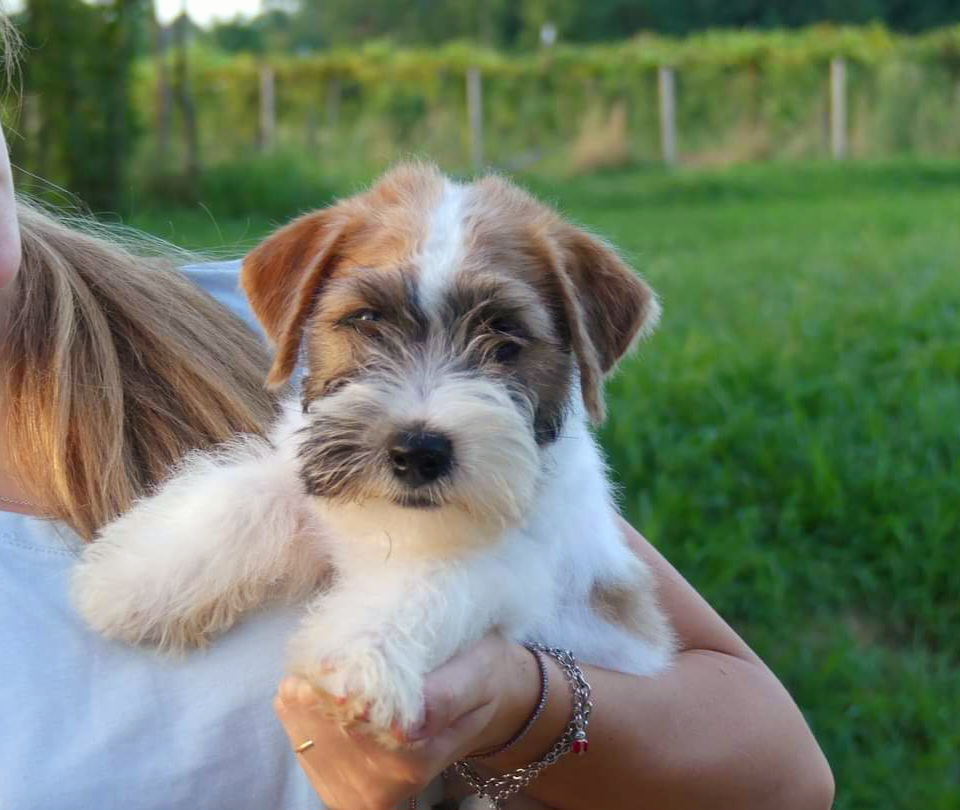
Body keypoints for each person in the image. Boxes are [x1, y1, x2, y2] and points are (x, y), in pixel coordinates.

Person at [0, 18, 833, 810]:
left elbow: (781, 774)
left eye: (502, 343)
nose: (424, 405)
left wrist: (517, 704)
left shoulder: (203, 324)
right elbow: (288, 491)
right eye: (368, 326)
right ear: (299, 317)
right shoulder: (298, 341)